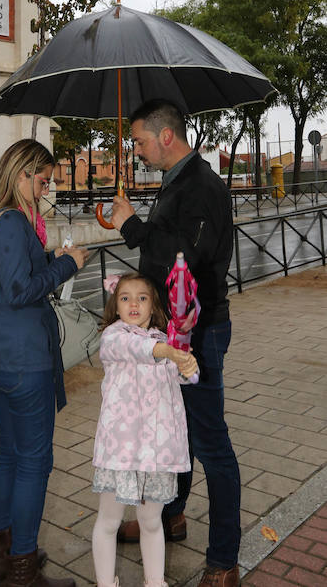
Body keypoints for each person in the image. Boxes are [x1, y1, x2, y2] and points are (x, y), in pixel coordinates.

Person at [111, 100, 241, 587]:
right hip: (175, 330)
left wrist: (131, 227)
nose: (137, 150)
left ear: (167, 137)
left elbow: (183, 258)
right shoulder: (176, 184)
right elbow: (167, 245)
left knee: (211, 444)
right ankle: (173, 514)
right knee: (177, 432)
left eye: (140, 140)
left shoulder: (202, 186)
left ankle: (224, 559)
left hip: (199, 333)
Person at [0, 139, 89, 587]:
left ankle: (1, 558)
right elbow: (20, 291)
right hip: (21, 359)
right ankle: (22, 569)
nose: (46, 188)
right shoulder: (12, 221)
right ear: (21, 175)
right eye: (42, 179)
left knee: (9, 456)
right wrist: (68, 264)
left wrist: (51, 258)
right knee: (33, 461)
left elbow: (10, 277)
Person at [92, 272, 197, 587]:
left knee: (152, 522)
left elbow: (184, 376)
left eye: (142, 297)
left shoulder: (165, 340)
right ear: (116, 305)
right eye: (125, 297)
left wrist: (187, 364)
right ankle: (105, 583)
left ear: (154, 306)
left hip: (157, 453)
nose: (133, 303)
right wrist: (164, 351)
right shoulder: (112, 336)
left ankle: (155, 582)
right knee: (109, 522)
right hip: (120, 452)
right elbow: (133, 349)